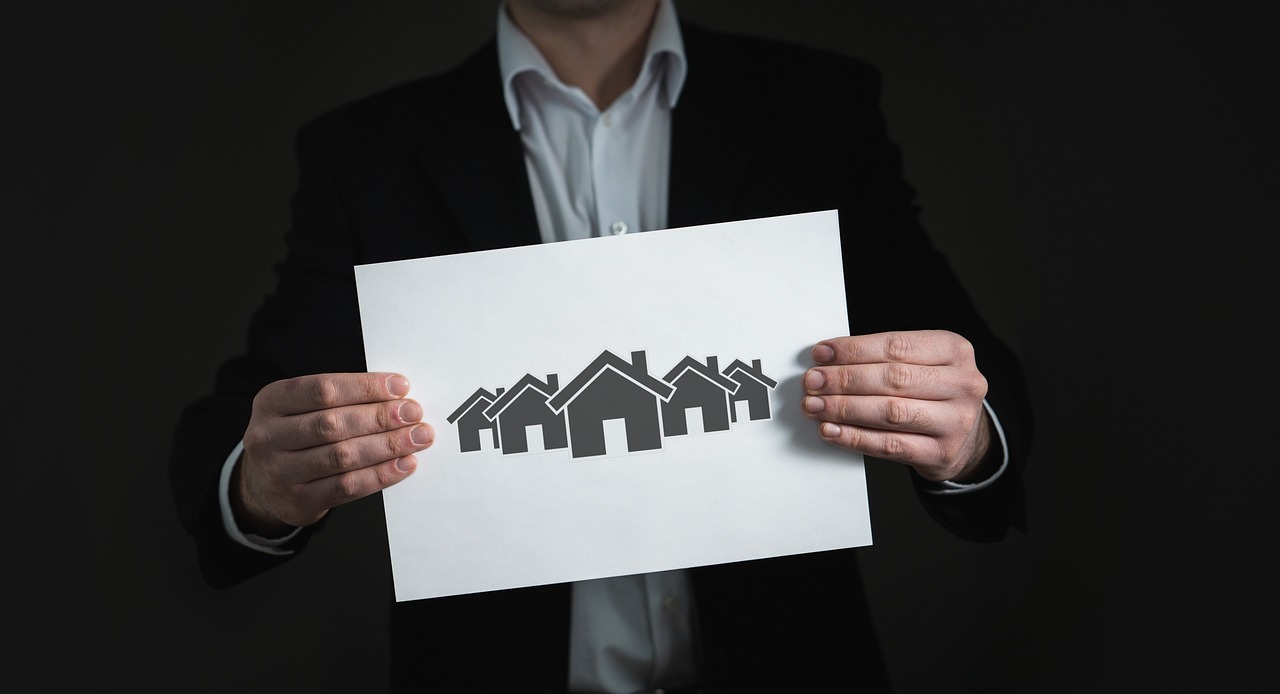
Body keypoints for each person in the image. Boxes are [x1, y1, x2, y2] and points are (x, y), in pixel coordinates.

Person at [170, 0, 1032, 691]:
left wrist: (965, 433)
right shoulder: (363, 156)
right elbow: (236, 435)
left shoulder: (821, 107)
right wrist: (259, 481)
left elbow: (989, 405)